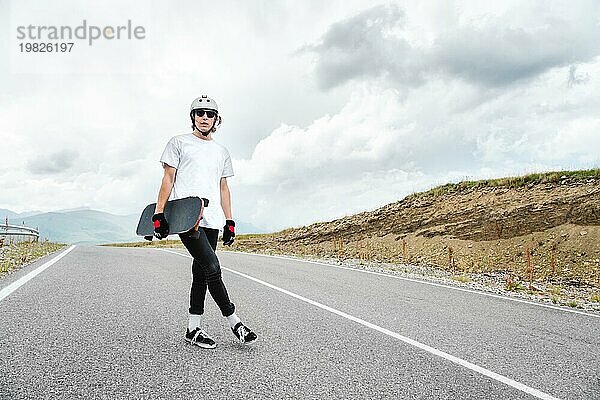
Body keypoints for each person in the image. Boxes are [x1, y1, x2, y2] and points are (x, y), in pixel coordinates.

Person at [152, 94, 257, 349]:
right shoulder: (178, 143)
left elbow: (224, 188)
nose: (204, 118)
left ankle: (193, 328)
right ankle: (235, 322)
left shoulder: (222, 152)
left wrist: (230, 221)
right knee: (212, 268)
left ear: (216, 119)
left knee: (200, 273)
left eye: (210, 114)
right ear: (193, 117)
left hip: (212, 219)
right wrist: (159, 213)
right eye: (200, 113)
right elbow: (168, 179)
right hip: (188, 218)